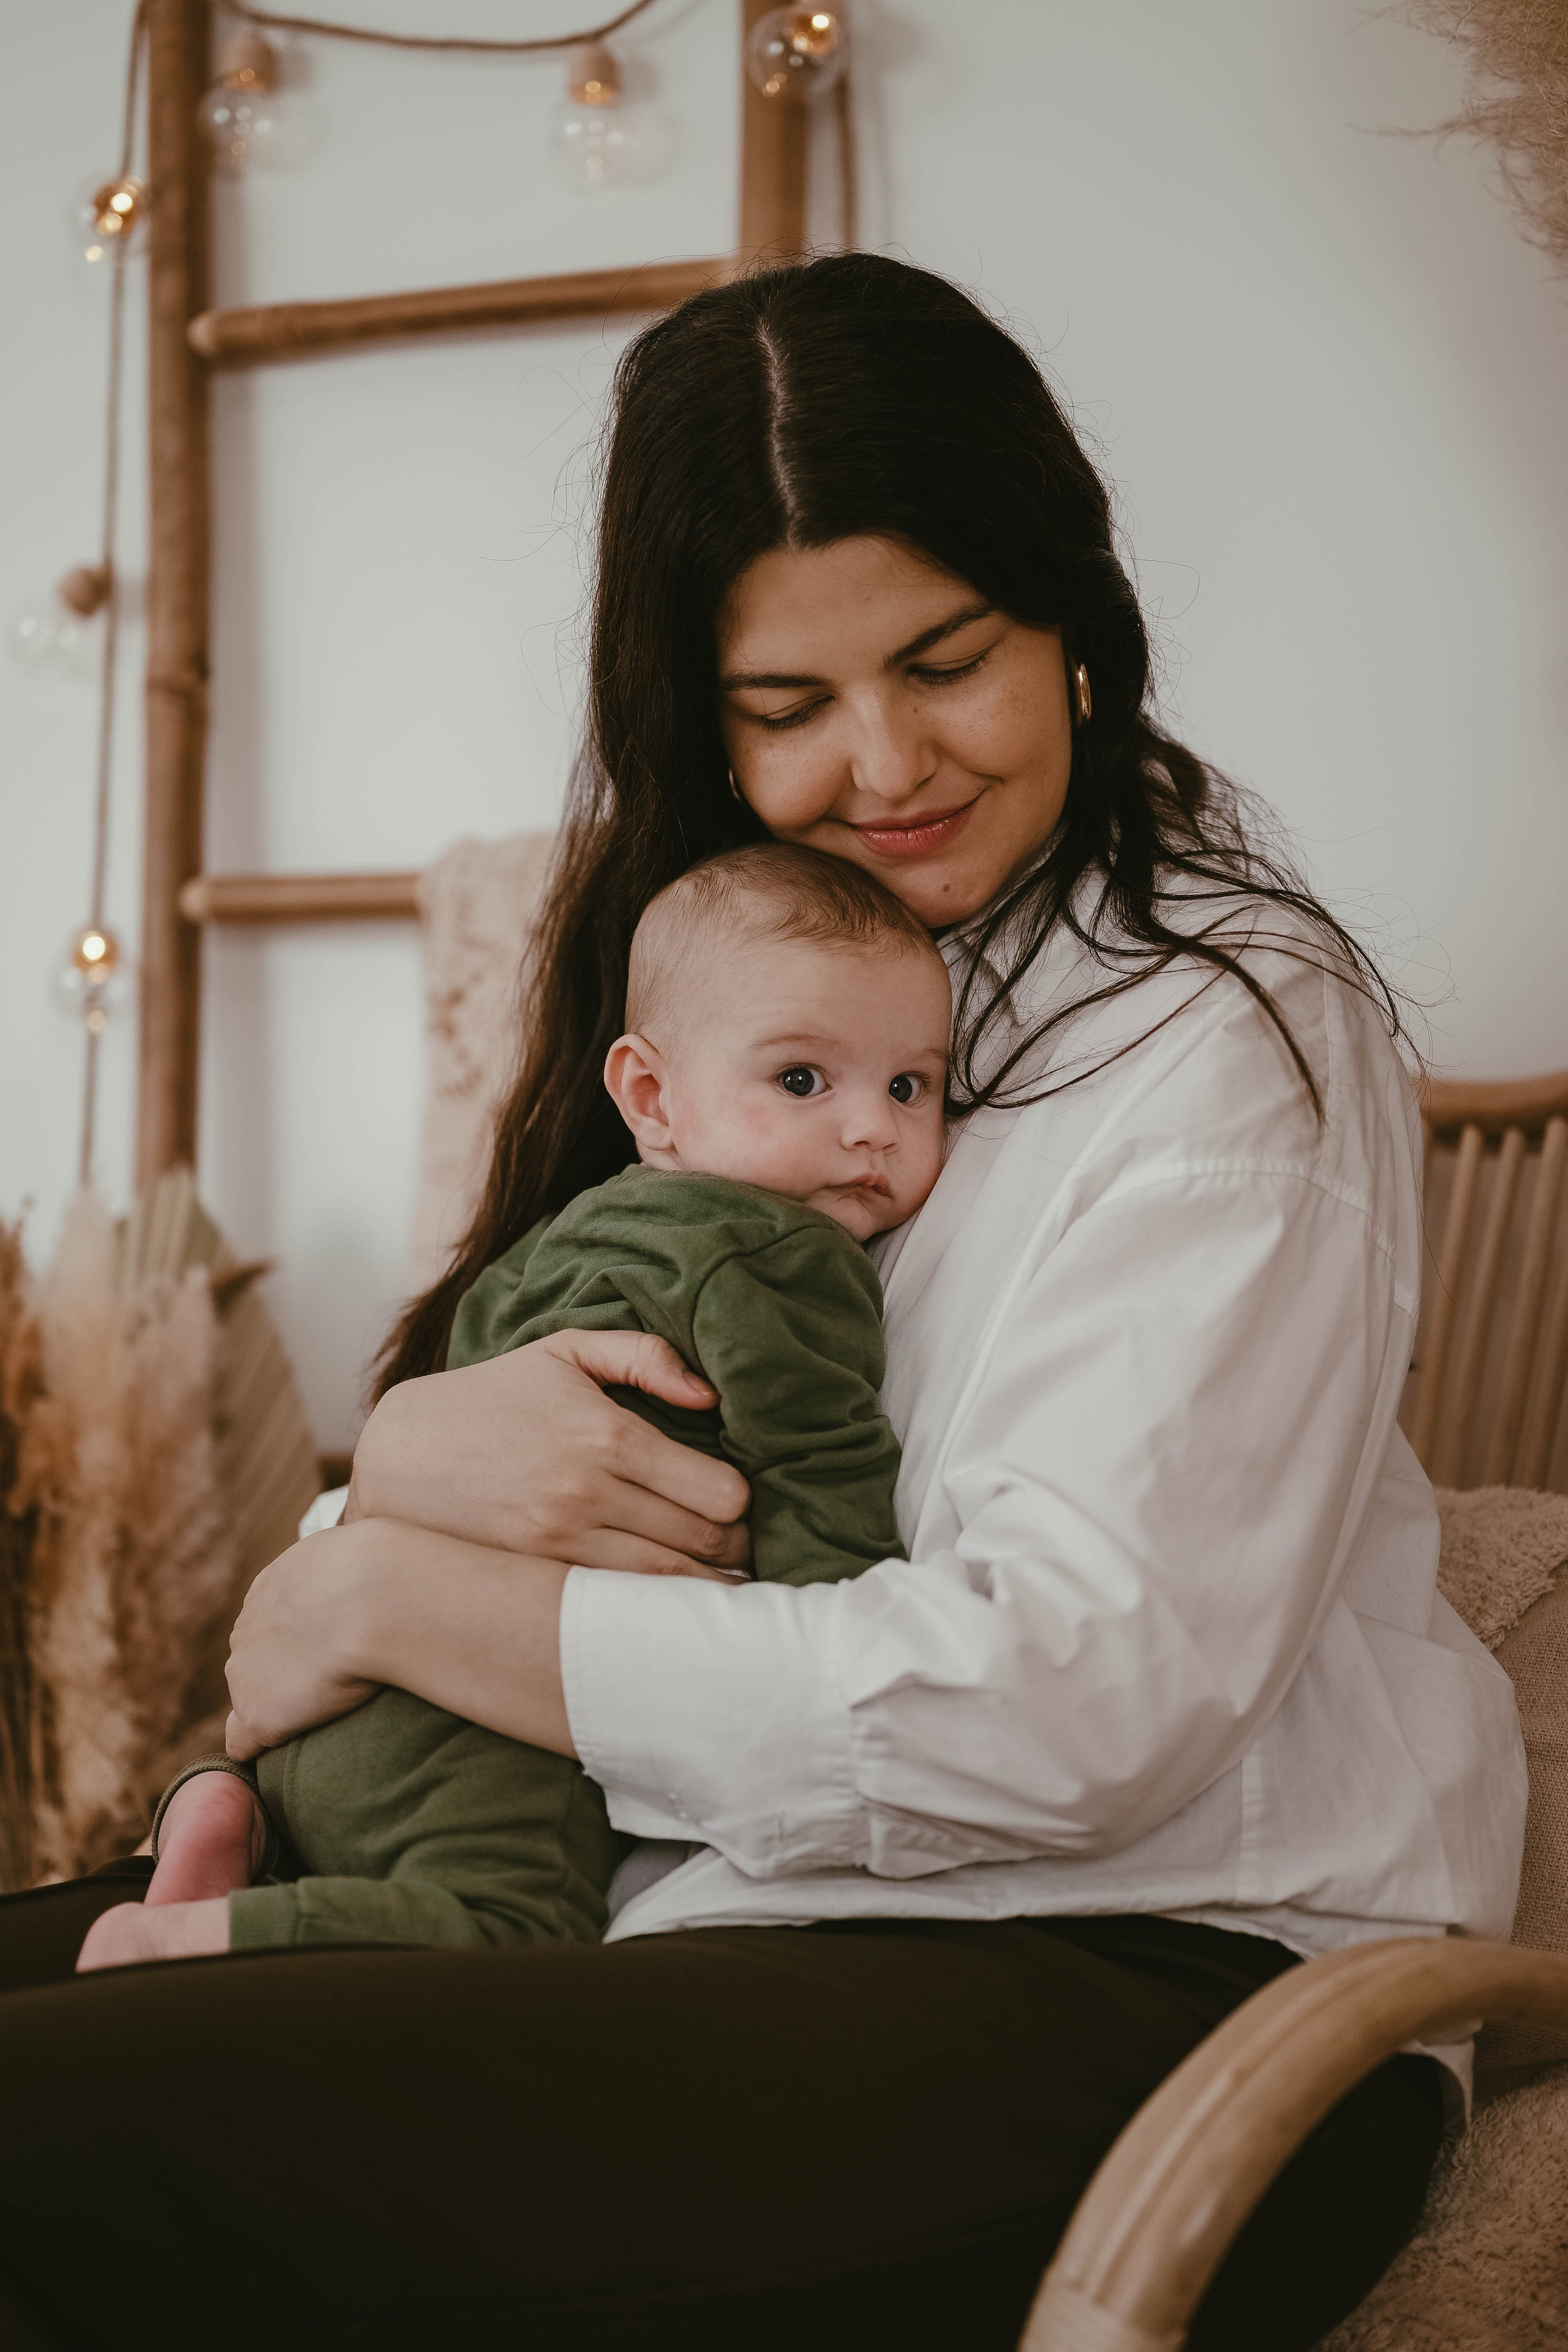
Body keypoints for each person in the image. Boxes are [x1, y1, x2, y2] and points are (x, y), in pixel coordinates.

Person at [0, 253, 1525, 2352]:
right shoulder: (730, 994)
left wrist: (384, 1599)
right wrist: (408, 1484)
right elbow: (557, 1414)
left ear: (1076, 621)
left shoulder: (1222, 1028)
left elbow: (1069, 1708)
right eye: (784, 709)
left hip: (1139, 1975)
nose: (885, 764)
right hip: (679, 1905)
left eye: (947, 659)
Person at [76, 844, 950, 1963]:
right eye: (801, 1081)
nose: (872, 1128)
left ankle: (224, 1809)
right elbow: (826, 1473)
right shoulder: (786, 1261)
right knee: (512, 1925)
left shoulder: (562, 1241)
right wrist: (840, 1626)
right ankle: (222, 1934)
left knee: (375, 1847)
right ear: (652, 1097)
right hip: (489, 1706)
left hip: (327, 1711)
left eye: (910, 1086)